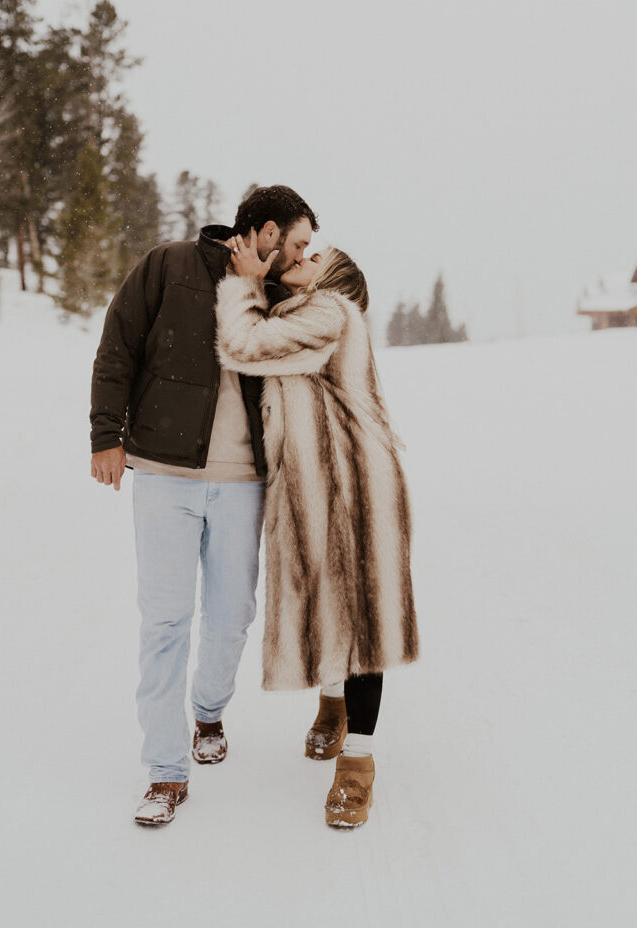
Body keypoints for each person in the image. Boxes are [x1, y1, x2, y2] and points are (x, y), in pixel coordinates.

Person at [90, 186, 318, 826]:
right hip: (164, 473)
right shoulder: (168, 265)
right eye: (297, 242)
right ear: (266, 232)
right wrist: (105, 433)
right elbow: (118, 345)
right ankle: (165, 770)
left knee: (232, 614)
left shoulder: (278, 295)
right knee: (163, 622)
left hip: (245, 479)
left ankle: (209, 709)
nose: (303, 254)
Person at [215, 231, 419, 828]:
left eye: (315, 258)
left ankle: (358, 768)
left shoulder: (329, 313)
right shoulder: (302, 310)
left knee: (365, 618)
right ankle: (334, 703)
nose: (301, 257)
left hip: (357, 486)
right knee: (326, 599)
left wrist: (243, 284)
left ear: (333, 281)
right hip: (311, 484)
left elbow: (242, 346)